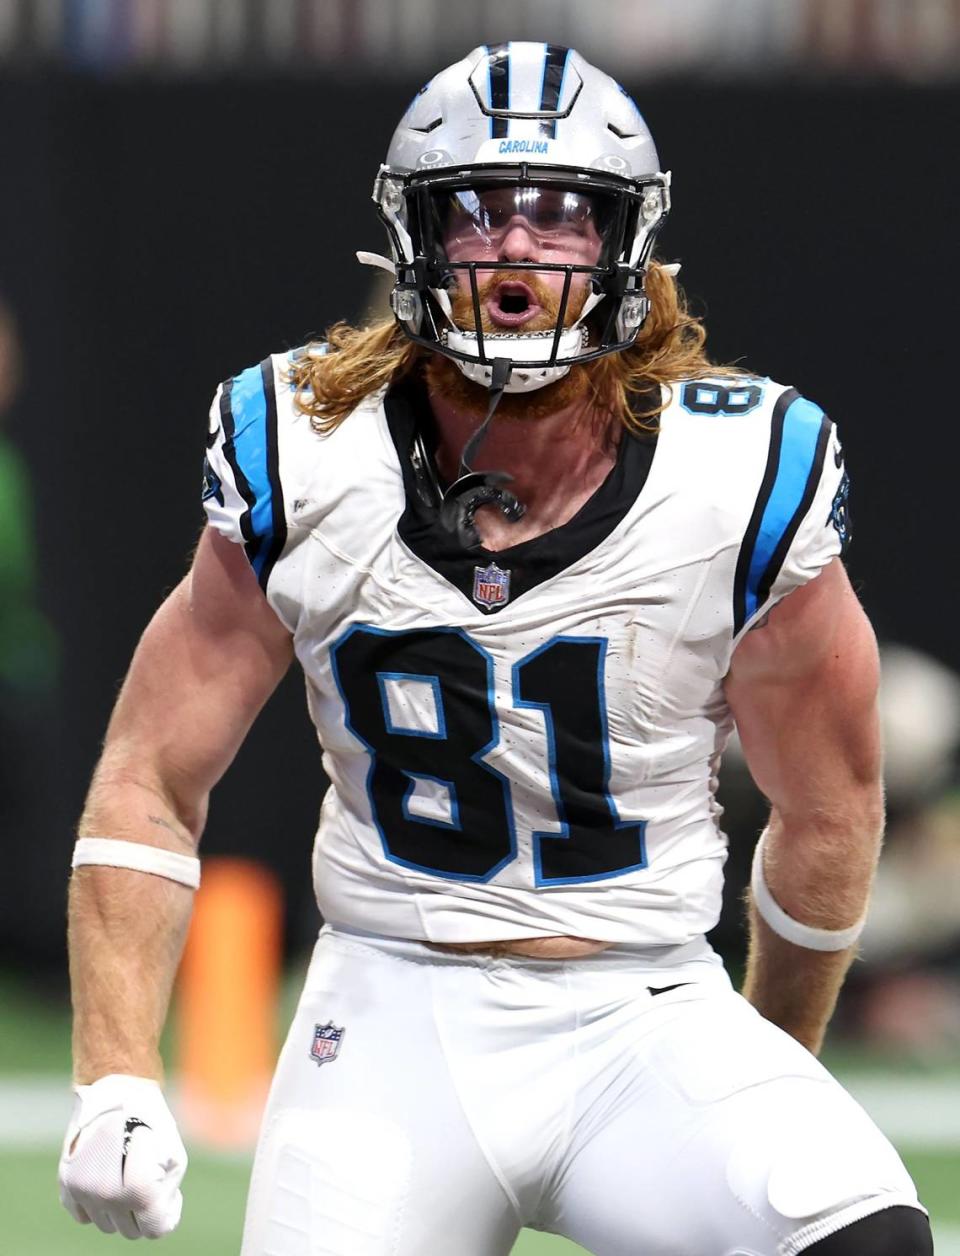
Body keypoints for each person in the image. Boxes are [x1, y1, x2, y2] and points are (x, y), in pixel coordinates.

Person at [58, 43, 933, 1256]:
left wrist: (764, 1067)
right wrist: (113, 1075)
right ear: (413, 238)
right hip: (391, 1008)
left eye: (560, 215)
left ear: (625, 246)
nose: (516, 248)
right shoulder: (305, 452)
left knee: (860, 1235)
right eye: (477, 212)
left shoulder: (739, 475)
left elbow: (831, 807)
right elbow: (152, 773)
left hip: (646, 1005)